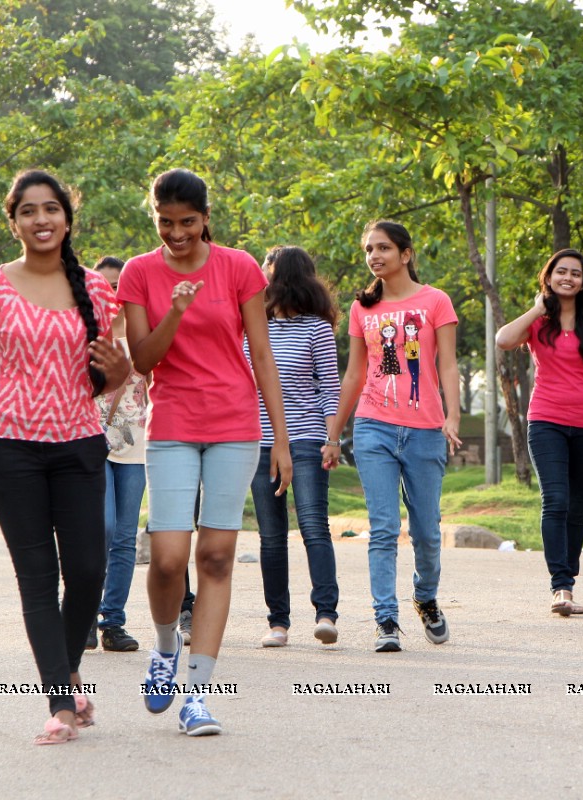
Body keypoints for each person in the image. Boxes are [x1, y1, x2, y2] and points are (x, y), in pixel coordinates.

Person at [0, 169, 130, 744]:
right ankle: (62, 705)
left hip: (77, 445)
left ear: (68, 217)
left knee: (90, 570)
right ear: (14, 220)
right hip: (7, 449)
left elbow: (111, 378)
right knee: (38, 578)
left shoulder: (96, 289)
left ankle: (68, 672)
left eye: (51, 209)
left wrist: (120, 372)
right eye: (28, 211)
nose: (41, 219)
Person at [120, 168, 292, 736]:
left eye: (187, 222)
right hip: (170, 423)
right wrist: (175, 308)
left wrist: (282, 438)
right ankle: (166, 648)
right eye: (165, 222)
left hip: (235, 424)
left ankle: (198, 695)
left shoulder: (240, 267)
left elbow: (262, 356)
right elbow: (143, 362)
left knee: (216, 557)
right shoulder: (140, 273)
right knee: (168, 557)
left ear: (205, 218)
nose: (176, 233)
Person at [323, 220, 461, 653]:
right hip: (373, 425)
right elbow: (354, 373)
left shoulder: (435, 300)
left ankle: (425, 598)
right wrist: (333, 435)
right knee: (382, 528)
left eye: (383, 248)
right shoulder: (362, 307)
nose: (374, 256)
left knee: (427, 531)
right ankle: (385, 619)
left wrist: (453, 417)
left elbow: (449, 366)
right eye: (368, 249)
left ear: (405, 253)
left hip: (425, 430)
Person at [496, 249, 583, 616]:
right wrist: (539, 307)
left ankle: (569, 580)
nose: (568, 278)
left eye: (575, 273)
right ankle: (560, 587)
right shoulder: (538, 322)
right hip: (546, 421)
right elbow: (503, 340)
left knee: (576, 506)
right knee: (555, 499)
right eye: (561, 272)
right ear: (549, 277)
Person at [246, 245, 341, 648]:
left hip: (305, 439)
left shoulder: (316, 328)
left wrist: (332, 438)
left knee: (314, 526)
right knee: (270, 535)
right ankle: (278, 622)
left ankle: (325, 614)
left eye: (266, 273)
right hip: (259, 442)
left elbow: (329, 390)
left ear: (281, 277)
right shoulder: (252, 326)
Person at [88, 256, 146, 653]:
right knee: (100, 529)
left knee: (125, 538)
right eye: (104, 285)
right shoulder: (87, 336)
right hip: (92, 444)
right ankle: (82, 613)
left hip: (137, 446)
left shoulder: (145, 334)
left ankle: (113, 622)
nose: (112, 293)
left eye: (118, 286)